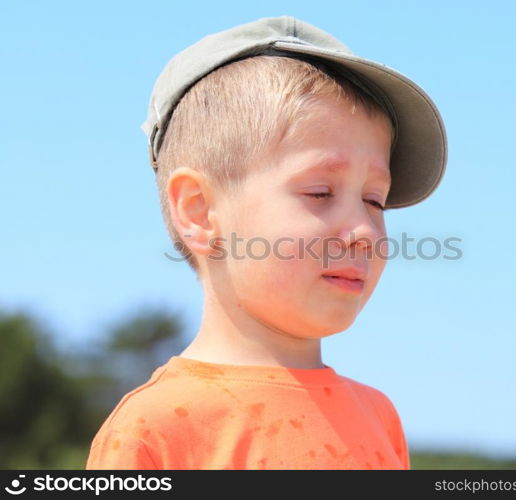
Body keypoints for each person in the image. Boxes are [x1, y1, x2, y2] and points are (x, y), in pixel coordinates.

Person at [86, 15, 447, 470]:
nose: (363, 232)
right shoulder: (155, 430)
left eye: (375, 200)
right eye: (320, 193)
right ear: (199, 211)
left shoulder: (380, 417)